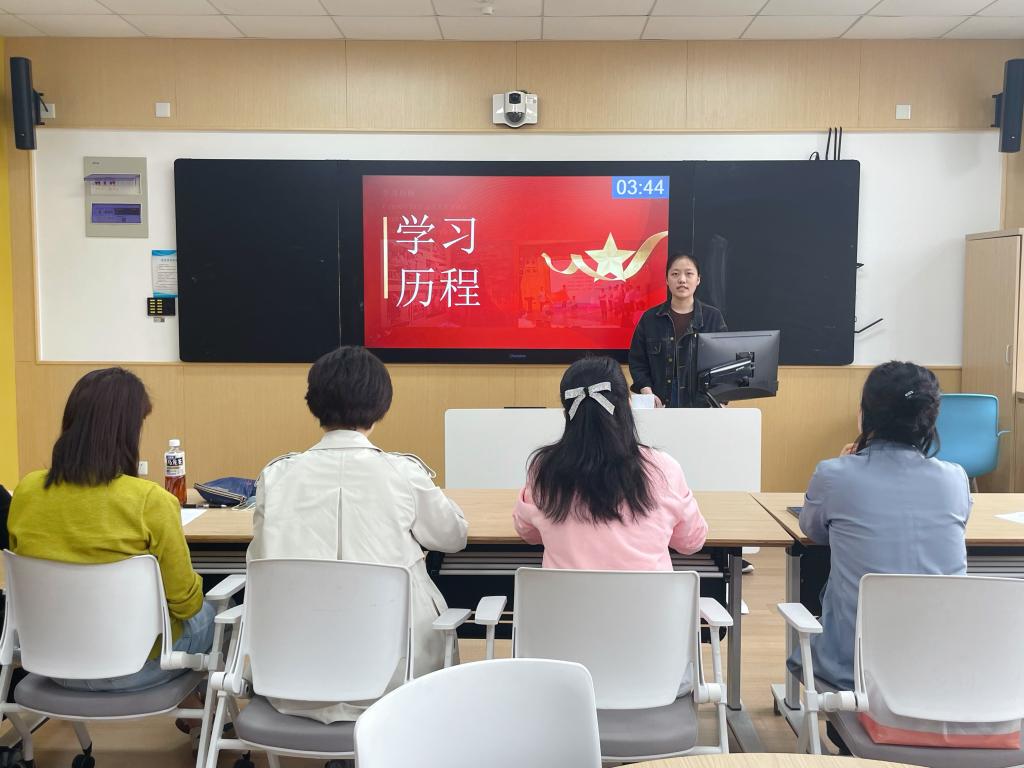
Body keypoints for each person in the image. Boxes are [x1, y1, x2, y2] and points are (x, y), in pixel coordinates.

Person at [248, 345, 468, 723]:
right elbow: (453, 538)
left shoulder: (277, 476)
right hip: (397, 683)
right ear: (382, 404)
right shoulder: (403, 473)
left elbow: (258, 561)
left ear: (314, 403)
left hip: (290, 679)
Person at [8, 368, 212, 693]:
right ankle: (209, 719)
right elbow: (185, 605)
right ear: (127, 431)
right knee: (214, 614)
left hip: (51, 664)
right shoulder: (150, 500)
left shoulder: (26, 491)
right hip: (133, 667)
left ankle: (189, 710)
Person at [790, 361, 970, 695]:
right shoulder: (955, 479)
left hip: (853, 671)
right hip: (941, 669)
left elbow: (812, 530)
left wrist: (846, 465)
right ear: (930, 419)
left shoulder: (835, 474)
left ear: (865, 415)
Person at [513, 356, 708, 569]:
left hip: (565, 593)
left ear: (566, 414)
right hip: (645, 593)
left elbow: (528, 533)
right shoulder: (664, 468)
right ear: (628, 405)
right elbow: (691, 542)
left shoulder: (543, 470)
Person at [628, 253, 727, 408]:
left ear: (698, 279)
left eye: (689, 274)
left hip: (702, 405)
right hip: (660, 404)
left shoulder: (712, 318)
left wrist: (720, 399)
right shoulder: (650, 319)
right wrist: (647, 392)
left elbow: (724, 362)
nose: (682, 280)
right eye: (675, 274)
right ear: (667, 280)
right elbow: (637, 362)